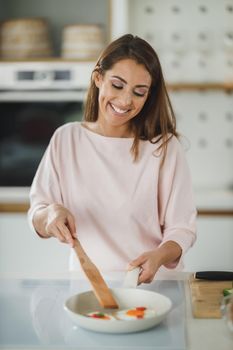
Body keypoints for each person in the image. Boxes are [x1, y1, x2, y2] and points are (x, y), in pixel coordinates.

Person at [28, 34, 197, 284]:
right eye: (117, 85)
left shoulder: (164, 148)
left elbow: (182, 228)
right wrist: (51, 214)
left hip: (153, 287)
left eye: (139, 92)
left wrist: (160, 255)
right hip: (87, 287)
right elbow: (39, 212)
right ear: (98, 78)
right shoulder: (67, 139)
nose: (125, 101)